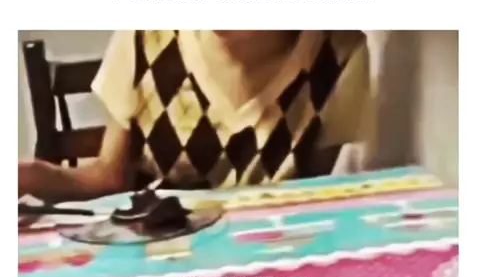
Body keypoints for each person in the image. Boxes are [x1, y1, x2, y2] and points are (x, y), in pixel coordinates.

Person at [18, 30, 374, 202]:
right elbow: (108, 178)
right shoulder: (146, 36)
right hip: (162, 265)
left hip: (270, 272)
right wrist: (31, 176)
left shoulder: (339, 54)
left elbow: (312, 197)